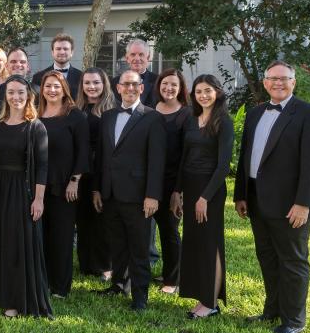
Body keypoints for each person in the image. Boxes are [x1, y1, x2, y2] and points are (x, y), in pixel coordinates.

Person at [235, 61, 310, 333]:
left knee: (293, 261)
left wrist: (303, 203)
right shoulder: (255, 113)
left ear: (293, 82)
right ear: (265, 83)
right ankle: (272, 310)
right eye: (272, 79)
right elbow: (245, 157)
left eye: (284, 79)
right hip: (257, 201)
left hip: (290, 205)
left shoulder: (309, 113)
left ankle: (294, 320)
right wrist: (241, 194)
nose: (278, 83)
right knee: (267, 258)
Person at [93, 70, 165, 312]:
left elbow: (157, 160)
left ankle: (140, 296)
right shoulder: (108, 116)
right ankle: (118, 284)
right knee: (117, 244)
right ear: (118, 87)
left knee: (139, 247)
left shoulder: (153, 118)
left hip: (138, 195)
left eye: (135, 84)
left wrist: (152, 195)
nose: (131, 88)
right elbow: (102, 156)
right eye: (126, 84)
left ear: (142, 88)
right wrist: (97, 190)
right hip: (110, 193)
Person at [0, 75, 53, 319]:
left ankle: (16, 299)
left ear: (29, 96)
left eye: (20, 93)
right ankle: (0, 293)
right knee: (1, 240)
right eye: (11, 92)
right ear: (5, 96)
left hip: (22, 191)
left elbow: (42, 167)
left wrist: (39, 198)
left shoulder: (36, 127)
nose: (15, 97)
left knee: (17, 243)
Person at [172, 75, 234, 319]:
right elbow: (183, 159)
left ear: (217, 92)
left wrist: (204, 197)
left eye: (208, 90)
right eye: (198, 91)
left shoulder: (224, 122)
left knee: (211, 243)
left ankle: (212, 303)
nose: (203, 95)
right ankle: (202, 297)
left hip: (211, 190)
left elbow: (223, 166)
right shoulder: (191, 119)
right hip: (190, 185)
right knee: (195, 244)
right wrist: (177, 192)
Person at [37, 70, 89, 298]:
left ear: (64, 89)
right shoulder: (35, 114)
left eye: (56, 86)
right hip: (38, 185)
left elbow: (83, 151)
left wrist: (75, 181)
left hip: (64, 185)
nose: (51, 90)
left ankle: (60, 287)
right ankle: (43, 282)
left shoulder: (74, 115)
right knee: (42, 236)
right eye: (48, 86)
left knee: (62, 237)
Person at [75, 67, 115, 282]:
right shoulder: (76, 109)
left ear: (104, 84)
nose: (92, 87)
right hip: (81, 171)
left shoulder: (111, 111)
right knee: (83, 219)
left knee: (102, 218)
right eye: (87, 83)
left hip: (103, 169)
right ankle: (86, 263)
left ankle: (104, 265)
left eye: (96, 83)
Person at [153, 68, 191, 294]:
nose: (168, 88)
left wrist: (179, 190)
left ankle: (172, 279)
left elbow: (186, 155)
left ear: (180, 89)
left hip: (171, 182)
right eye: (165, 84)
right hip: (148, 180)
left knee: (169, 230)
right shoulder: (150, 109)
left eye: (173, 85)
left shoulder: (186, 114)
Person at [33, 34, 82, 100]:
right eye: (58, 49)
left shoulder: (81, 77)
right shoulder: (38, 77)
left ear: (71, 53)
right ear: (52, 52)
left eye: (65, 49)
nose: (62, 52)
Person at [112, 39, 157, 107]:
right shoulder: (115, 82)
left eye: (141, 54)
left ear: (148, 58)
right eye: (133, 54)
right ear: (127, 58)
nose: (137, 58)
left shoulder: (158, 81)